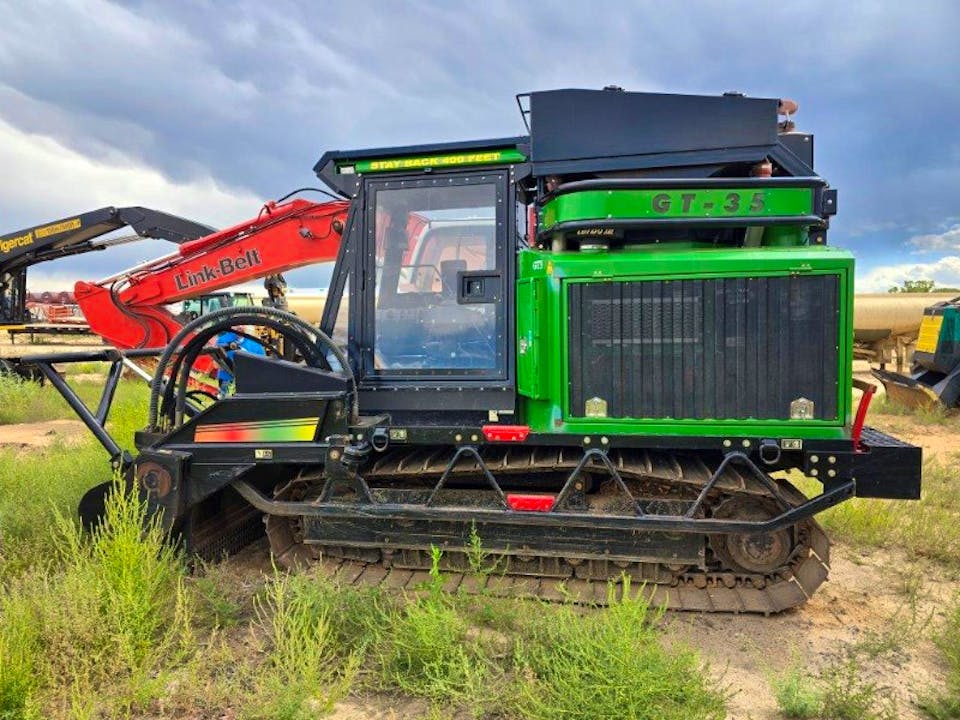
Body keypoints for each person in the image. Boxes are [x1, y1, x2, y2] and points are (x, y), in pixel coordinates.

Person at [215, 325, 266, 397]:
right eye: (236, 324)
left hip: (250, 382)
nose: (240, 327)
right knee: (226, 405)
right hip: (227, 380)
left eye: (242, 324)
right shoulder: (222, 340)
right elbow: (216, 364)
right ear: (231, 325)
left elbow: (263, 365)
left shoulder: (255, 343)